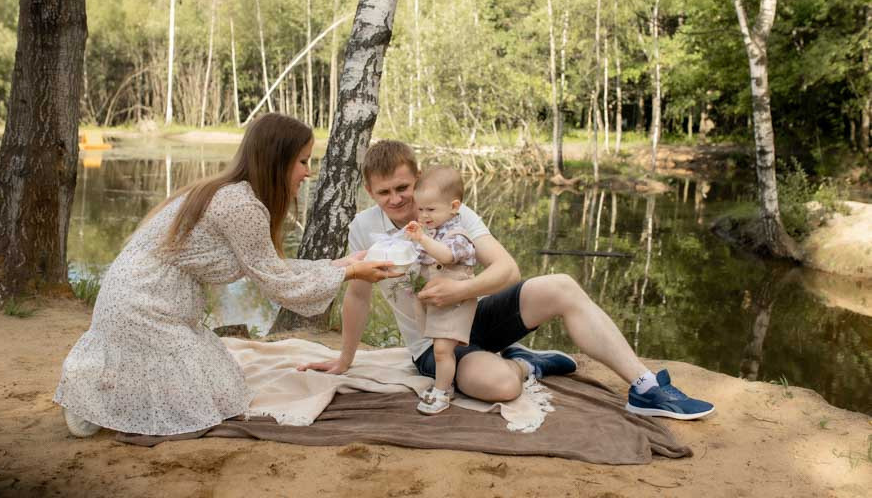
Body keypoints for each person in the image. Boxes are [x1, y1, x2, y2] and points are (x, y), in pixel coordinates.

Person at [301, 140, 714, 420]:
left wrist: (460, 289)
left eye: (404, 187)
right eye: (384, 192)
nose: (396, 200)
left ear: (418, 178)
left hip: (477, 316)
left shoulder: (452, 212)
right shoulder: (364, 228)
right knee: (500, 385)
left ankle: (644, 387)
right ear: (370, 192)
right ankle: (523, 363)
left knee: (562, 285)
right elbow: (358, 297)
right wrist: (346, 359)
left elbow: (507, 270)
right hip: (434, 344)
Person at [54, 114, 400, 438]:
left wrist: (340, 264)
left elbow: (270, 267)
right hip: (143, 303)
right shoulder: (241, 205)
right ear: (277, 161)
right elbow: (277, 283)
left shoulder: (232, 192)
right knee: (216, 401)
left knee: (225, 386)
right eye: (303, 161)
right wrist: (353, 272)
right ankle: (90, 395)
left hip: (146, 297)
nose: (308, 172)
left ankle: (106, 392)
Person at [402, 166, 478, 415]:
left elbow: (446, 257)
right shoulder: (434, 231)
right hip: (437, 302)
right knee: (439, 348)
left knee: (442, 350)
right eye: (420, 208)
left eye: (431, 209)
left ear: (454, 206)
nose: (424, 215)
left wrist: (422, 239)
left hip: (454, 303)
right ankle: (443, 386)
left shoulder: (458, 235)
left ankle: (443, 392)